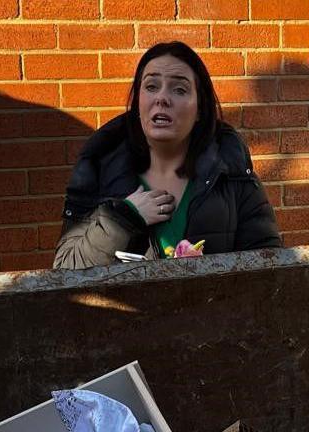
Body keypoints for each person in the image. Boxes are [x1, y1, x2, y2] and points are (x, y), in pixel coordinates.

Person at [54, 41, 280, 269]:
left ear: (200, 109)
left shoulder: (232, 173)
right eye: (151, 86)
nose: (162, 98)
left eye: (179, 89)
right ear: (138, 101)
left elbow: (271, 268)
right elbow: (65, 269)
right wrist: (123, 219)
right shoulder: (100, 170)